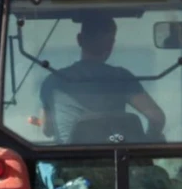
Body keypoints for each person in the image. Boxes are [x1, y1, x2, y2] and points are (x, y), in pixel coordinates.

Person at [38, 14, 166, 144]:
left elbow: (47, 130)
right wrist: (148, 140)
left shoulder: (52, 81)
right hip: (116, 159)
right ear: (111, 44)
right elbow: (157, 118)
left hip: (68, 161)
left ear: (80, 40)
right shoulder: (121, 77)